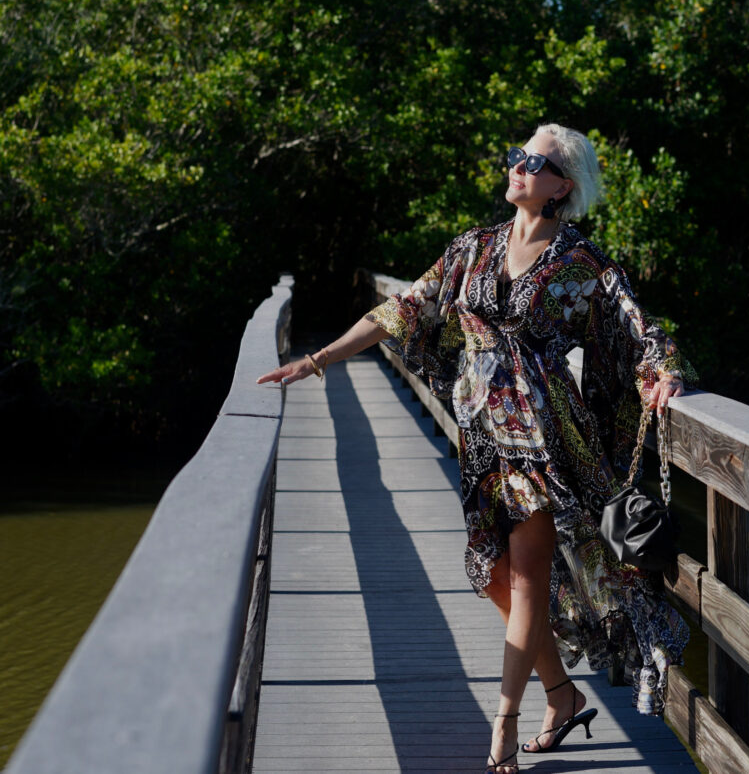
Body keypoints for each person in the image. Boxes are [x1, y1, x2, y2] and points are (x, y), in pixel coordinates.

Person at [257, 123, 697, 774]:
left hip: (547, 443)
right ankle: (562, 695)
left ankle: (504, 726)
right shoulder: (474, 251)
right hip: (485, 441)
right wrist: (316, 360)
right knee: (493, 577)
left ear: (560, 187)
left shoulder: (582, 264)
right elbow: (400, 310)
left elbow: (642, 329)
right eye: (515, 156)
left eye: (533, 161)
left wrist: (663, 371)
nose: (516, 167)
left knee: (523, 584)